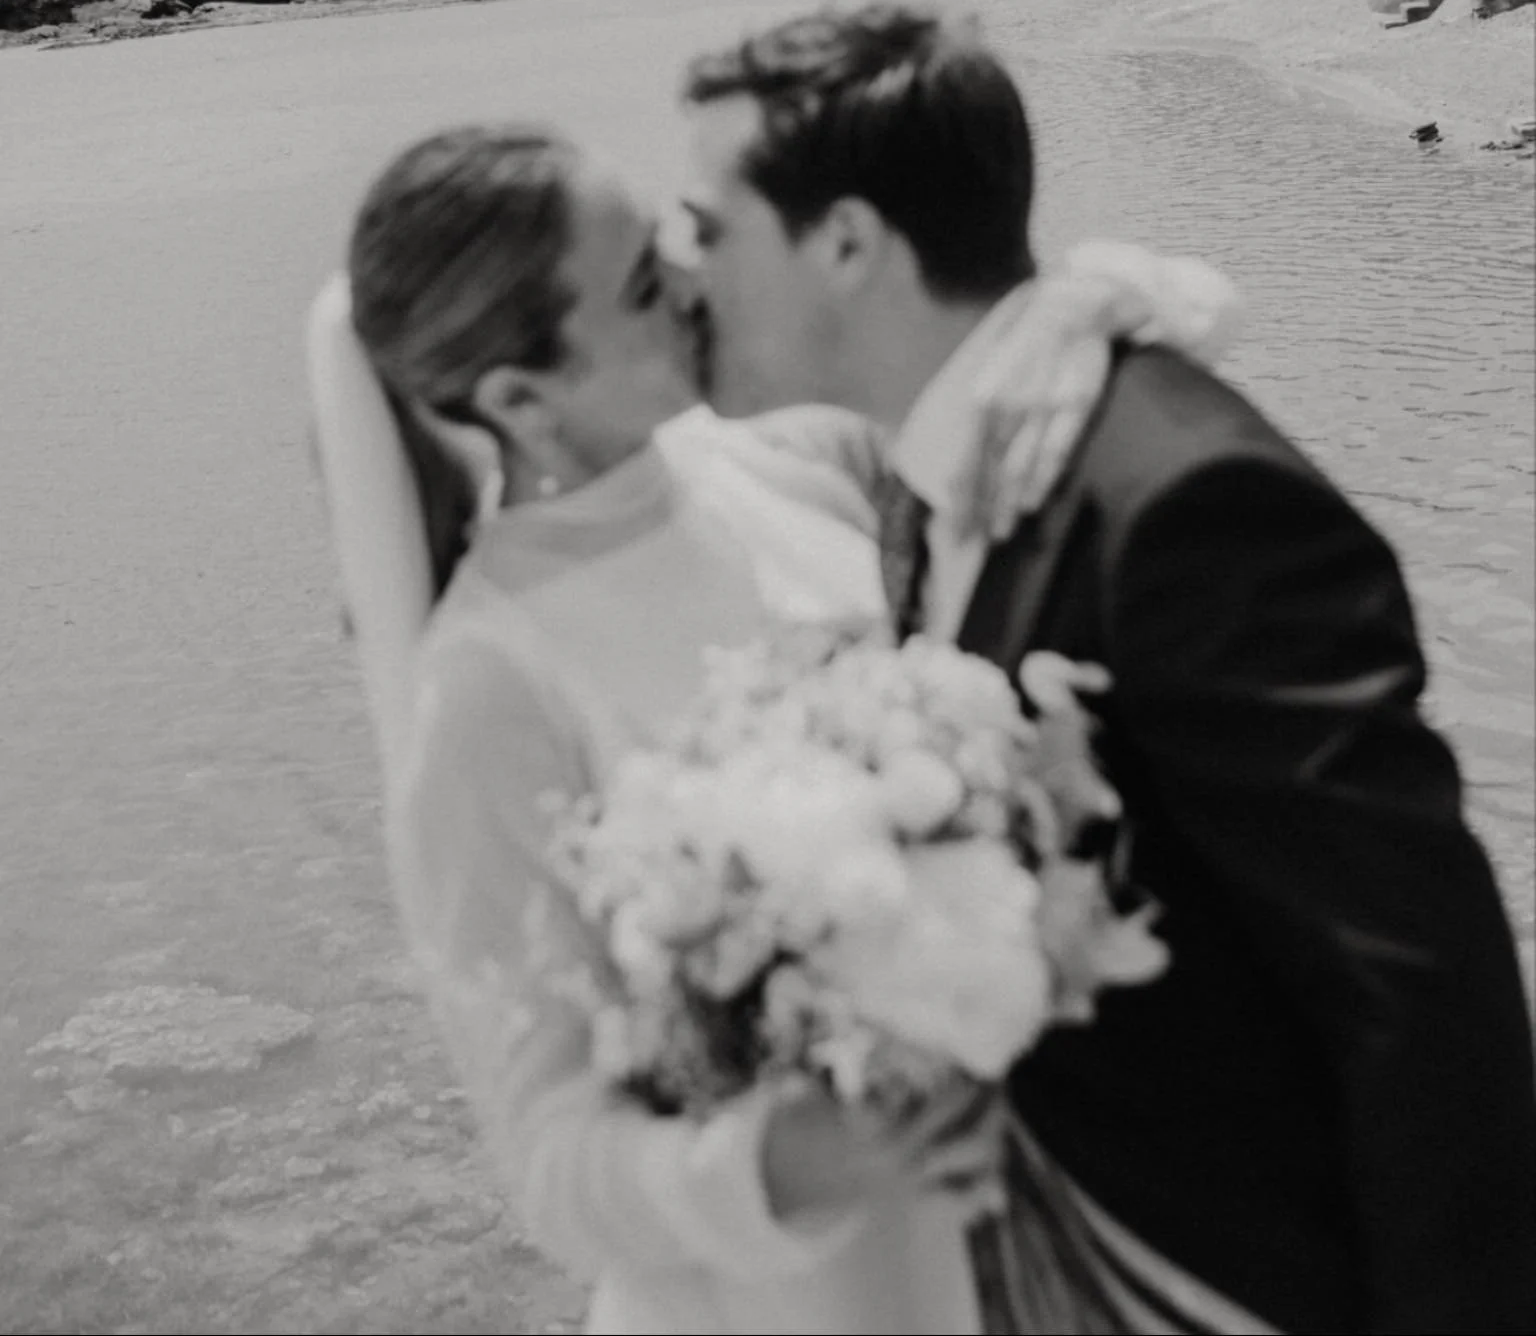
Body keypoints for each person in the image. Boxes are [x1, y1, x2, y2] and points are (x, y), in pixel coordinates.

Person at [679, 2, 1536, 1336]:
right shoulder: (926, 467)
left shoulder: (1189, 507)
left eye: (708, 229)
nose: (685, 273)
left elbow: (1420, 986)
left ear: (846, 242)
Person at [337, 124, 1240, 1336]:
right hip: (793, 1298)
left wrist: (1074, 322)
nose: (695, 282)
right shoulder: (484, 685)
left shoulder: (795, 458)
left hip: (1020, 1220)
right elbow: (548, 1157)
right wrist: (784, 1160)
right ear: (518, 398)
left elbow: (985, 414)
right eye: (645, 287)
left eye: (672, 243)